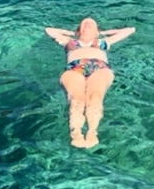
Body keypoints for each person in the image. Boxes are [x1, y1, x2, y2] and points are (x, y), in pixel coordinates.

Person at [44, 16, 135, 148]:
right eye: (84, 23)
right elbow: (49, 30)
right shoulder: (69, 42)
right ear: (79, 30)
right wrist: (73, 33)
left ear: (97, 31)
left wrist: (103, 33)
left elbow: (130, 30)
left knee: (95, 96)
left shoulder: (103, 42)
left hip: (100, 69)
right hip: (75, 69)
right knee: (76, 98)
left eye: (91, 24)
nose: (87, 24)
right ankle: (76, 132)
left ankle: (92, 131)